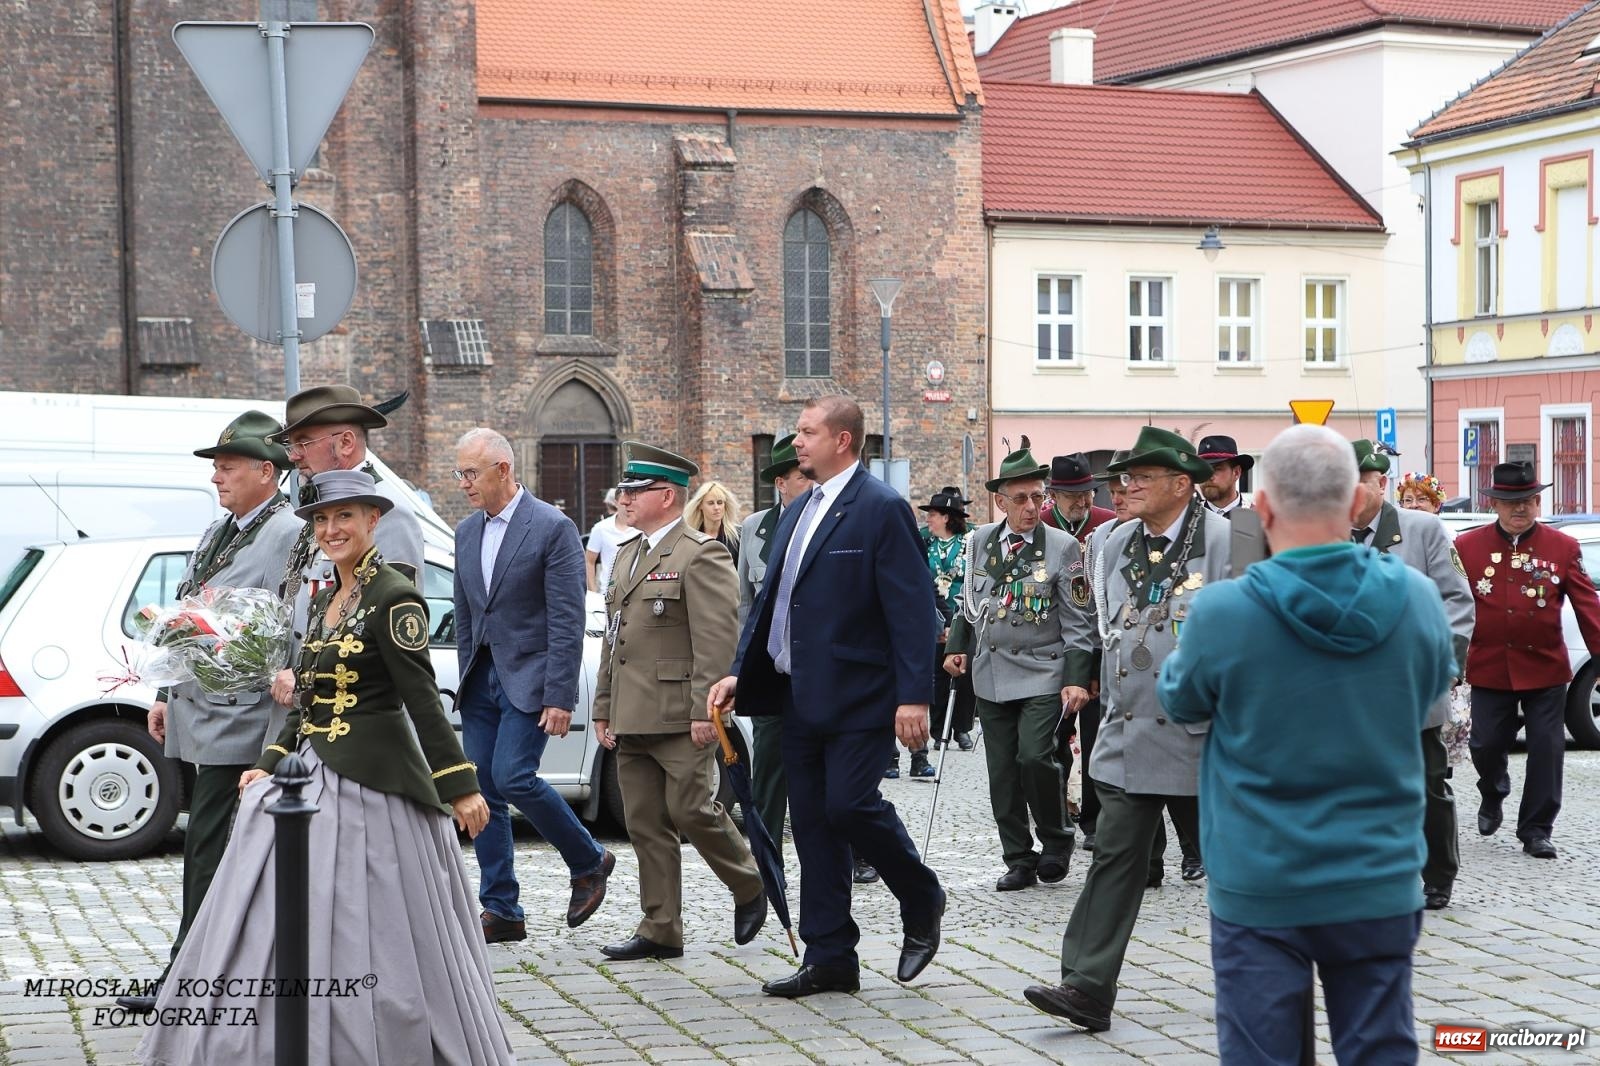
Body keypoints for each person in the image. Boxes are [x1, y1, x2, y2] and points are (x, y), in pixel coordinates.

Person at [136, 469, 513, 1066]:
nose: (332, 529)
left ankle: (373, 1030)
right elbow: (308, 697)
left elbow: (421, 700)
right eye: (321, 520)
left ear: (373, 522)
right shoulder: (323, 598)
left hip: (376, 777)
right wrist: (271, 760)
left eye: (345, 517)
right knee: (273, 890)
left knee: (375, 913)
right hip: (307, 770)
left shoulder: (395, 595)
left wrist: (460, 785)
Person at [1157, 423, 1456, 1066]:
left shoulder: (1222, 613)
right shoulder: (1418, 600)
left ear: (1262, 508)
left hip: (1261, 874)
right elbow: (1429, 690)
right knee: (1380, 1047)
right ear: (1356, 503)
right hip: (1376, 871)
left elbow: (1179, 701)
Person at [710, 395, 945, 998]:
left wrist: (915, 697)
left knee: (849, 806)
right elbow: (772, 606)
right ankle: (831, 954)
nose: (796, 443)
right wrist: (743, 671)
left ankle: (921, 896)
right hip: (796, 694)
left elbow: (914, 609)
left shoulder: (881, 509)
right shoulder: (798, 508)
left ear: (842, 440)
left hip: (860, 694)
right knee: (812, 824)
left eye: (807, 432)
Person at [1023, 426, 1231, 1032]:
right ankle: (1086, 985)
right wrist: (1082, 676)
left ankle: (1280, 969)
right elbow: (1093, 623)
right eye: (1125, 475)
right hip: (1129, 727)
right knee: (1115, 856)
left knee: (1239, 865)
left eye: (1141, 476)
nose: (1126, 485)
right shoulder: (1112, 542)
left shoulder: (1228, 539)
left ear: (1181, 484)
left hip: (1208, 734)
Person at [117, 412, 303, 1014]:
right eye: (216, 468)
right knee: (215, 845)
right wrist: (167, 693)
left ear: (266, 472)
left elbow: (285, 637)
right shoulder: (219, 530)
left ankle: (187, 975)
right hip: (206, 708)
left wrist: (281, 729)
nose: (217, 478)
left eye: (227, 467)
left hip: (244, 717)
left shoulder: (288, 533)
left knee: (207, 847)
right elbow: (194, 615)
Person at [593, 443, 767, 961]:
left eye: (634, 491)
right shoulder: (628, 553)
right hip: (632, 710)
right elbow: (614, 639)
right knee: (643, 821)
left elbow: (717, 640)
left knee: (691, 809)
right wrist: (604, 705)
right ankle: (661, 926)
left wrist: (705, 712)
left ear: (665, 496)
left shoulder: (701, 552)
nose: (623, 499)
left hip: (679, 711)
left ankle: (749, 883)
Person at [452, 428, 614, 944]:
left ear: (503, 469)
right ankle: (502, 909)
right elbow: (464, 614)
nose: (463, 484)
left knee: (514, 776)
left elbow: (567, 619)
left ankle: (589, 859)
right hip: (481, 681)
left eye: (470, 473)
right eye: (460, 474)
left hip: (531, 679)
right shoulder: (464, 532)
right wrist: (465, 677)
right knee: (482, 791)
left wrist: (560, 696)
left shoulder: (552, 527)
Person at [945, 445, 1093, 892]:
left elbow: (1079, 620)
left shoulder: (1063, 547)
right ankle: (1018, 858)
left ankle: (1056, 841)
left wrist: (1075, 678)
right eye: (1022, 499)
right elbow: (968, 604)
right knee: (1003, 772)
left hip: (1043, 671)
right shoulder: (978, 543)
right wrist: (957, 646)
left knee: (1035, 757)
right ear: (1001, 502)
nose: (1032, 507)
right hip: (991, 672)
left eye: (1037, 497)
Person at [1349, 440, 1474, 910]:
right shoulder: (1326, 534)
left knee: (1425, 781)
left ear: (1381, 484)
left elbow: (1457, 601)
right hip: (1351, 689)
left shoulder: (1421, 529)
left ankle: (1438, 873)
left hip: (1412, 682)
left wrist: (1443, 664)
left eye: (1362, 482)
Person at [1456, 460, 1600, 860]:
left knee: (1547, 748)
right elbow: (1452, 606)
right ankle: (1493, 787)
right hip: (1488, 666)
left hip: (1544, 667)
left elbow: (1587, 605)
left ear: (1538, 502)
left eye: (1527, 501)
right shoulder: (1468, 547)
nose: (1519, 509)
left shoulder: (1563, 547)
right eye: (1509, 502)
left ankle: (1536, 828)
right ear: (1494, 505)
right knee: (1484, 744)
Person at [268, 384, 425, 709]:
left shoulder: (389, 513)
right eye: (291, 444)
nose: (293, 456)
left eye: (303, 443)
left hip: (354, 714)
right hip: (305, 709)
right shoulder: (323, 508)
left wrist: (308, 675)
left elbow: (384, 629)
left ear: (346, 443)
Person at [735, 433, 814, 864]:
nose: (810, 483)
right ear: (781, 483)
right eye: (801, 478)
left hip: (813, 667)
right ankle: (767, 861)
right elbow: (746, 604)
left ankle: (836, 851)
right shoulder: (753, 528)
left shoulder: (825, 520)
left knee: (818, 765)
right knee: (766, 766)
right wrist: (739, 665)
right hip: (768, 667)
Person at [920, 488, 976, 753]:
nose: (928, 519)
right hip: (934, 618)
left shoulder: (970, 542)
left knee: (963, 675)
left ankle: (962, 728)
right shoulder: (925, 543)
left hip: (962, 617)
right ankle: (939, 730)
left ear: (947, 517)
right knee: (938, 677)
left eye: (933, 514)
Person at [1043, 453, 1115, 540]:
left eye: (1086, 493)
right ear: (1054, 495)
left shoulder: (1111, 522)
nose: (1082, 503)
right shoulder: (1039, 526)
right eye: (1073, 495)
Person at [586, 487, 635, 593]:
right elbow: (589, 560)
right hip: (608, 592)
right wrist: (593, 591)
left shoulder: (642, 528)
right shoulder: (601, 528)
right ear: (616, 503)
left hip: (636, 592)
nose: (628, 506)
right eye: (624, 503)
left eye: (631, 502)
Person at [685, 480, 742, 566]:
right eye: (710, 503)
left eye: (720, 502)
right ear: (700, 505)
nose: (716, 507)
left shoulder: (737, 537)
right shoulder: (690, 537)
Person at [1197, 434, 1253, 516]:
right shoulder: (1189, 518)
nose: (1208, 476)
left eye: (1217, 469)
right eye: (1203, 469)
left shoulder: (1257, 517)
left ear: (1236, 472)